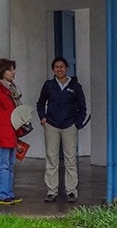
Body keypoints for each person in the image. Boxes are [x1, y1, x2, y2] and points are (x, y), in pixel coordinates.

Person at [36, 56, 87, 202]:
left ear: (67, 68)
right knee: (52, 158)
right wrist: (43, 118)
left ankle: (71, 190)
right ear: (53, 70)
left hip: (69, 126)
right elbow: (40, 103)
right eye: (56, 67)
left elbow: (82, 108)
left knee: (70, 159)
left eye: (62, 66)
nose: (59, 69)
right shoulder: (49, 85)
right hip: (51, 125)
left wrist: (77, 123)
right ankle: (52, 191)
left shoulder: (75, 87)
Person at [0, 58, 23, 205]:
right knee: (3, 165)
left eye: (13, 69)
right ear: (2, 72)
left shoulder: (11, 89)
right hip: (2, 134)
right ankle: (2, 195)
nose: (13, 72)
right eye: (9, 69)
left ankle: (8, 193)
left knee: (10, 164)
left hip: (11, 133)